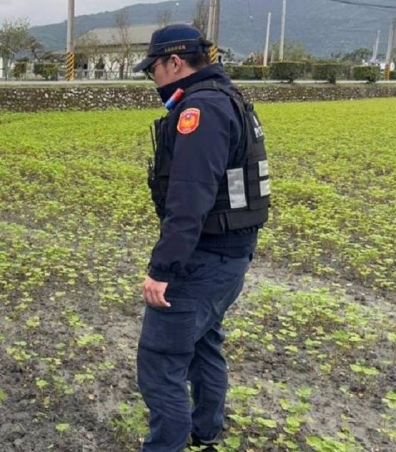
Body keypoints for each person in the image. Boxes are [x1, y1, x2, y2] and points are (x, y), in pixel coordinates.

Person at [132, 24, 271, 451]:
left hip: (203, 259)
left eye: (153, 68)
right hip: (230, 256)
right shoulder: (228, 98)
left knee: (161, 361)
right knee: (204, 342)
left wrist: (162, 269)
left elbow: (190, 198)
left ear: (174, 62)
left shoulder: (201, 110)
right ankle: (204, 430)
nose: (152, 78)